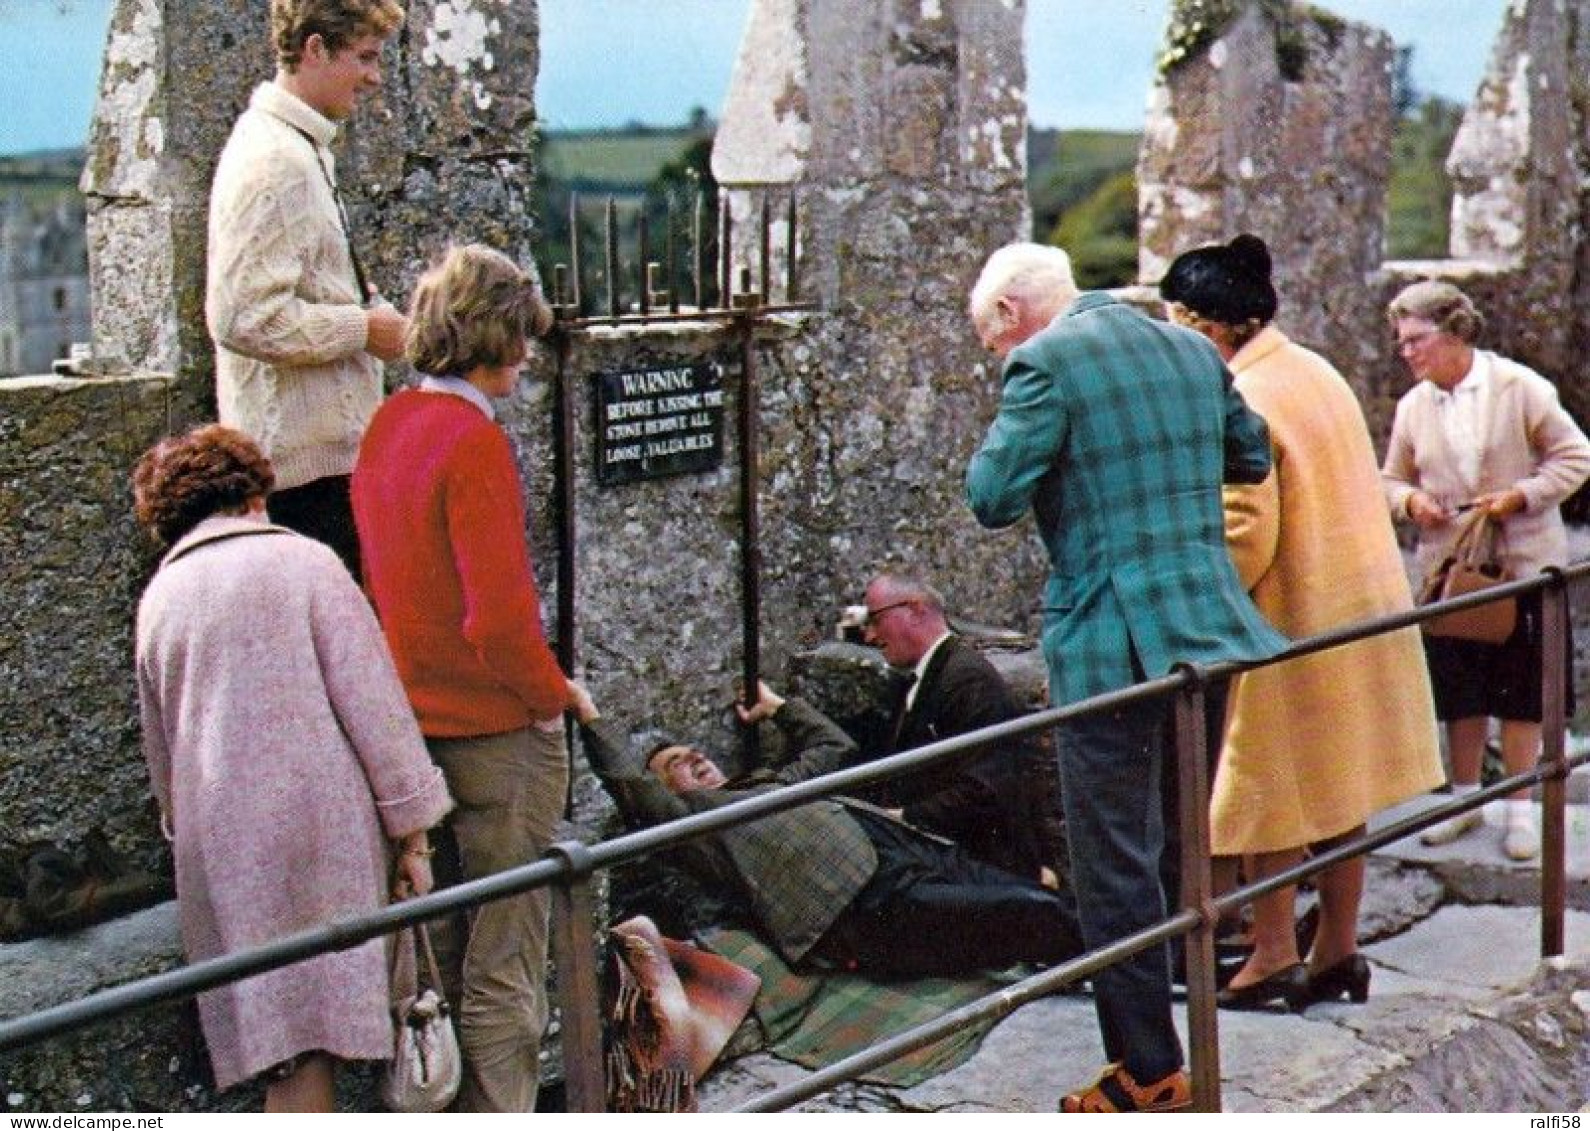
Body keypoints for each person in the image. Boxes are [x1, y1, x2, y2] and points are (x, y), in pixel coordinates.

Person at [964, 242, 1288, 1114]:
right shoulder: (1189, 346)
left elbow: (991, 495)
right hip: (1208, 633)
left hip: (1110, 641)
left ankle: (1149, 1070)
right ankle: (1187, 1043)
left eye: (986, 341)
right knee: (1180, 845)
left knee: (1112, 864)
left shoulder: (1041, 360)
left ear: (1008, 315)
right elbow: (1251, 457)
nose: (994, 357)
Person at [1160, 234, 1444, 1012]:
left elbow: (1247, 525)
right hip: (1356, 607)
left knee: (1264, 790)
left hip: (1290, 615)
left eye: (1175, 320)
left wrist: (1191, 595)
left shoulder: (1240, 393)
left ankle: (1273, 952)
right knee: (1338, 784)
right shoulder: (1312, 368)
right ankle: (1337, 948)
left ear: (1206, 323)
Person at [132, 424, 452, 1113]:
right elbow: (375, 707)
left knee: (287, 1048)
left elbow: (163, 758)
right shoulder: (305, 562)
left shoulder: (159, 599)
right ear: (250, 495)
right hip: (321, 831)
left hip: (222, 845)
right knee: (319, 1042)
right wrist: (414, 832)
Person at [351, 244, 580, 1112]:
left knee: (436, 956)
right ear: (493, 337)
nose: (525, 356)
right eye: (520, 338)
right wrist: (555, 695)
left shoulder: (388, 425)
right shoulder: (472, 440)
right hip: (496, 732)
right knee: (506, 962)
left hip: (414, 725)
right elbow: (499, 619)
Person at [574, 681, 1085, 979]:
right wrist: (589, 714)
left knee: (1038, 891)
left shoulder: (767, 785)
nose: (696, 757)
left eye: (694, 750)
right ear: (670, 792)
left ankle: (1137, 954)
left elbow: (832, 747)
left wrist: (777, 708)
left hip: (898, 850)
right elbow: (632, 787)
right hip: (860, 904)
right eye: (677, 765)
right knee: (1026, 911)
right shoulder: (701, 826)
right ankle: (1129, 965)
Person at [1383, 280, 1590, 861]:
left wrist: (1521, 495)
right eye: (1402, 342)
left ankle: (1520, 810)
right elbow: (1390, 478)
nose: (1408, 352)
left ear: (1454, 333)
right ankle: (1464, 801)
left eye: (1417, 339)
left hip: (1524, 565)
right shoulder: (1414, 406)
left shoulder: (1520, 388)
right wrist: (1410, 504)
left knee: (1524, 691)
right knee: (1461, 690)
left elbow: (1575, 456)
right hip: (1454, 572)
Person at [206, 0, 411, 576]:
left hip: (315, 471)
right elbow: (244, 317)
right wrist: (364, 329)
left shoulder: (299, 147)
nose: (376, 77)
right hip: (297, 481)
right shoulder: (275, 160)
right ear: (315, 49)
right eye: (365, 57)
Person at [856, 570, 1059, 884]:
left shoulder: (966, 679)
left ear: (915, 609)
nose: (869, 636)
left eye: (874, 620)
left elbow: (987, 786)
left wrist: (904, 818)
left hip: (981, 869)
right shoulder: (935, 676)